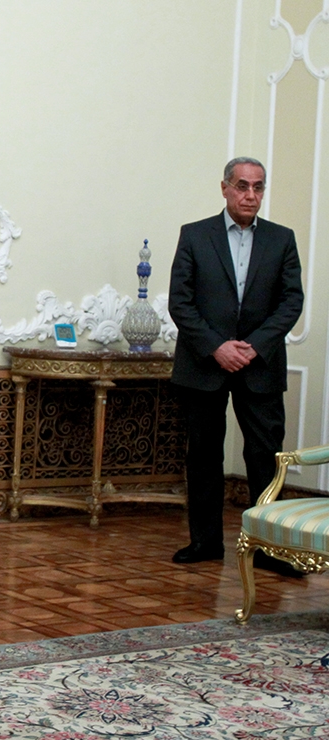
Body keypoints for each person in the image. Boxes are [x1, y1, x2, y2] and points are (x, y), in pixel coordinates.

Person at [169, 157, 304, 577]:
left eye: (258, 187)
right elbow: (180, 302)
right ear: (225, 187)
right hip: (204, 364)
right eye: (242, 186)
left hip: (259, 365)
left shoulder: (282, 239)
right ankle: (205, 542)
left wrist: (253, 347)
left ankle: (268, 548)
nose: (250, 195)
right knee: (204, 454)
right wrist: (216, 347)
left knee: (265, 456)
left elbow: (291, 302)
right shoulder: (195, 235)